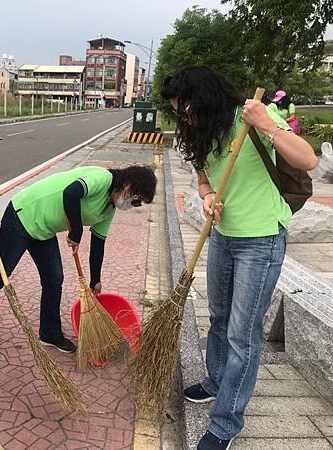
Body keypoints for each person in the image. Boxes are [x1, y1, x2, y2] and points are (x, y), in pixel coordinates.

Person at [160, 66, 318, 450]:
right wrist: (208, 196)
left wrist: (267, 124)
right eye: (179, 112)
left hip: (260, 240)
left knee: (242, 335)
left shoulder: (253, 116)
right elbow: (203, 180)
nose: (185, 117)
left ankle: (225, 423)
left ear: (207, 98)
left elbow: (308, 160)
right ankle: (217, 381)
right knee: (217, 317)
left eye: (187, 108)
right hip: (224, 237)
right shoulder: (201, 133)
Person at [0, 164, 157, 365]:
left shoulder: (108, 209)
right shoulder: (101, 178)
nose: (133, 206)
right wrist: (76, 231)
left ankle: (49, 332)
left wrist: (95, 280)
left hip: (44, 229)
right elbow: (71, 193)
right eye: (136, 200)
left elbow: (99, 242)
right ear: (128, 187)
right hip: (23, 215)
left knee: (54, 278)